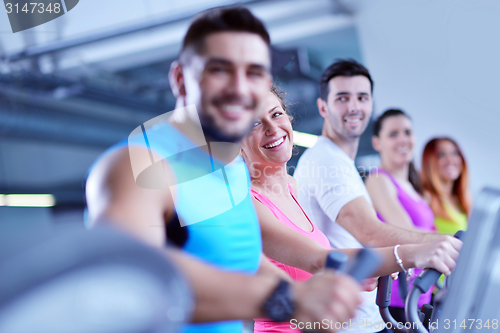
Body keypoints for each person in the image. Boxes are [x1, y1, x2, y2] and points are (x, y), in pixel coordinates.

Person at [85, 7, 363, 333]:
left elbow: (240, 259)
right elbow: (132, 279)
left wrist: (308, 304)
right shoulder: (137, 165)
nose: (240, 88)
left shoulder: (230, 168)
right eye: (220, 70)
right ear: (179, 79)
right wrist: (286, 299)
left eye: (254, 73)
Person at [241, 87, 460, 333]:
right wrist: (412, 254)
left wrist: (357, 272)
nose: (272, 128)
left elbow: (310, 266)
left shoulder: (292, 187)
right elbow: (317, 260)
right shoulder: (248, 204)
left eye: (277, 114)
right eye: (254, 123)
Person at [294, 59, 462, 333]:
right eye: (342, 98)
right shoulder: (326, 161)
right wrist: (445, 245)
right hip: (348, 324)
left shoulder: (340, 162)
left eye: (362, 97)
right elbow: (370, 233)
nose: (354, 107)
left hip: (364, 317)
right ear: (323, 107)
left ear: (371, 104)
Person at [365, 109, 435, 324]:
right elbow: (404, 231)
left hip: (421, 297)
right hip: (396, 300)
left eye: (407, 132)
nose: (402, 139)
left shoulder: (416, 189)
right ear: (377, 143)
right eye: (393, 134)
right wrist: (458, 242)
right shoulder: (378, 179)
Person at [421, 138, 471, 235]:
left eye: (454, 153)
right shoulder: (427, 197)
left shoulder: (464, 200)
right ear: (429, 162)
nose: (450, 160)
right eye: (441, 155)